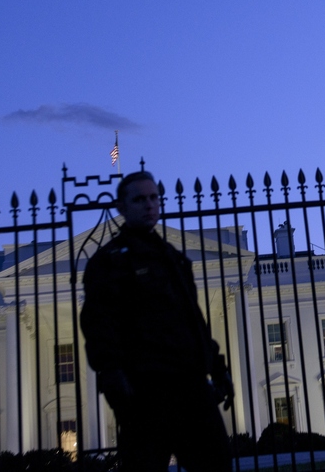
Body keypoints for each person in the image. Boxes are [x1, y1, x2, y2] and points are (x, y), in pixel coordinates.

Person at [80, 171, 234, 472]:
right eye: (139, 199)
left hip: (191, 388)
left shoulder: (173, 258)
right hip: (145, 393)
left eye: (153, 197)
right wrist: (112, 376)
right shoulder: (108, 262)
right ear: (122, 207)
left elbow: (194, 322)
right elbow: (98, 327)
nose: (149, 204)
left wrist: (218, 368)